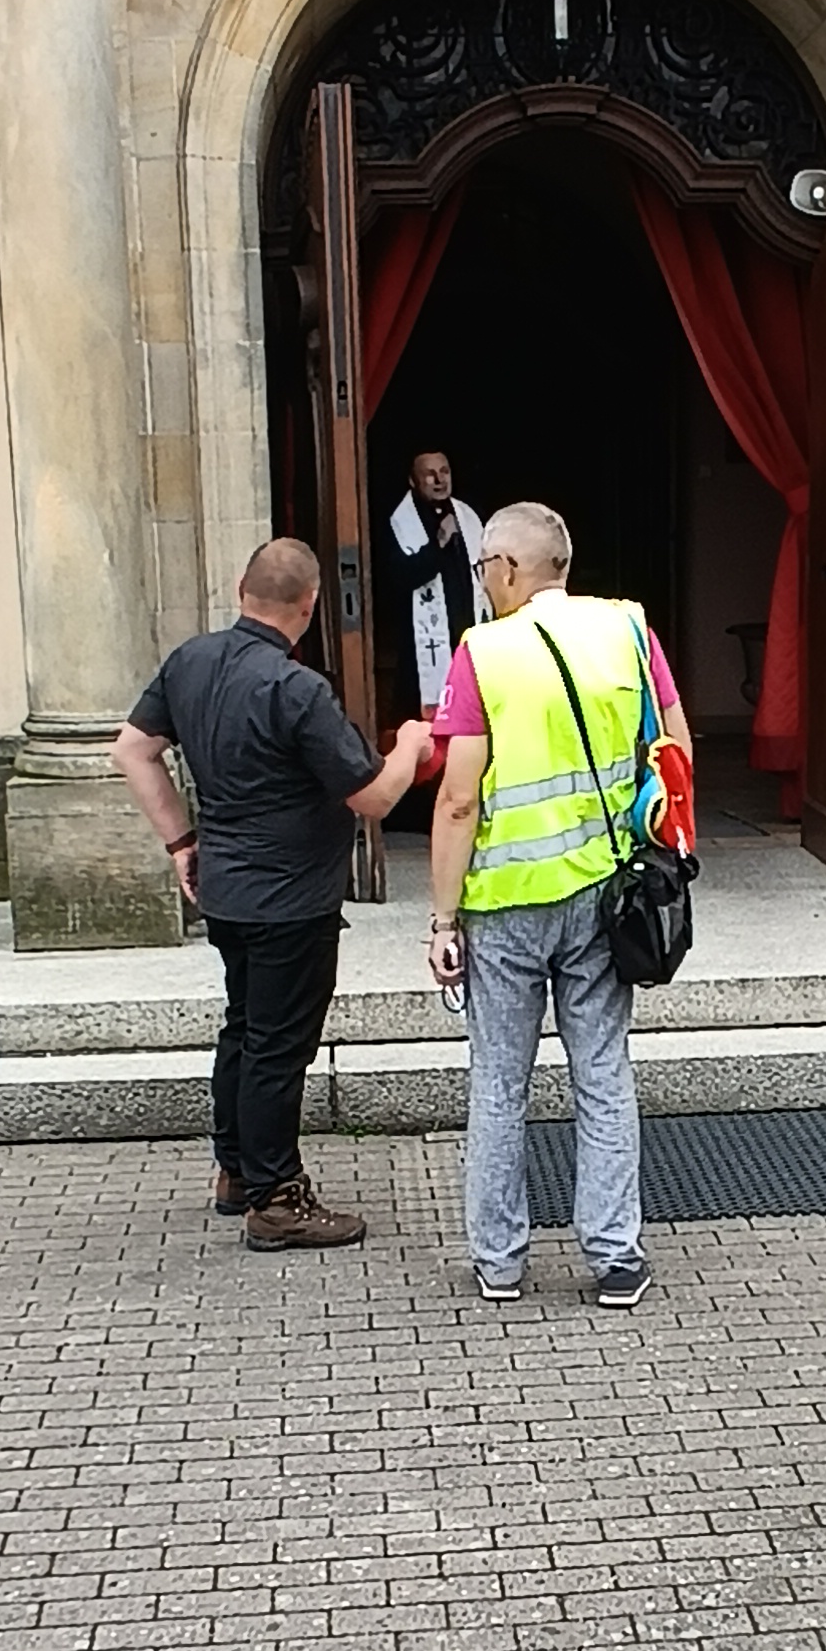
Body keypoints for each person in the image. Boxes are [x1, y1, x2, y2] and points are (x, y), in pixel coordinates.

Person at [112, 537, 428, 1251]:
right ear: (311, 605)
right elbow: (373, 798)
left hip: (226, 888)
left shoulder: (189, 661)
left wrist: (181, 841)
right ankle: (277, 1199)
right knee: (278, 1048)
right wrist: (409, 746)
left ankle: (237, 1171)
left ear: (240, 589)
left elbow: (131, 749)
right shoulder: (297, 689)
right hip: (292, 899)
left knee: (245, 1028)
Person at [425, 499, 691, 1308]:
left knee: (499, 1087)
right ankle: (615, 1258)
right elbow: (675, 750)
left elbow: (459, 800)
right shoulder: (630, 632)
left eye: (484, 567)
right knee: (603, 1077)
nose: (483, 581)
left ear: (508, 567)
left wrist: (443, 919)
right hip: (604, 897)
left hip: (505, 905)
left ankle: (500, 1262)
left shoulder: (483, 653)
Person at [383, 452, 487, 715]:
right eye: (430, 474)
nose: (440, 480)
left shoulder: (467, 516)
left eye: (444, 472)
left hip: (466, 629)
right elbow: (401, 576)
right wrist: (439, 543)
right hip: (421, 641)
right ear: (413, 481)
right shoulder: (400, 522)